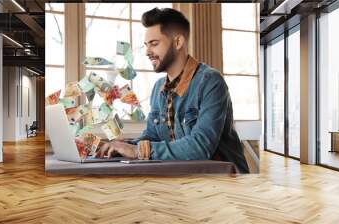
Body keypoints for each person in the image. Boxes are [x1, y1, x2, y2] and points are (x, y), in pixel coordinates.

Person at [95, 7, 249, 173]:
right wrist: (119, 146)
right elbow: (152, 137)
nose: (147, 52)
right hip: (185, 179)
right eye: (146, 45)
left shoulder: (210, 81)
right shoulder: (158, 88)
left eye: (154, 44)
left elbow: (201, 146)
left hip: (223, 182)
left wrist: (138, 150)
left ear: (178, 42)